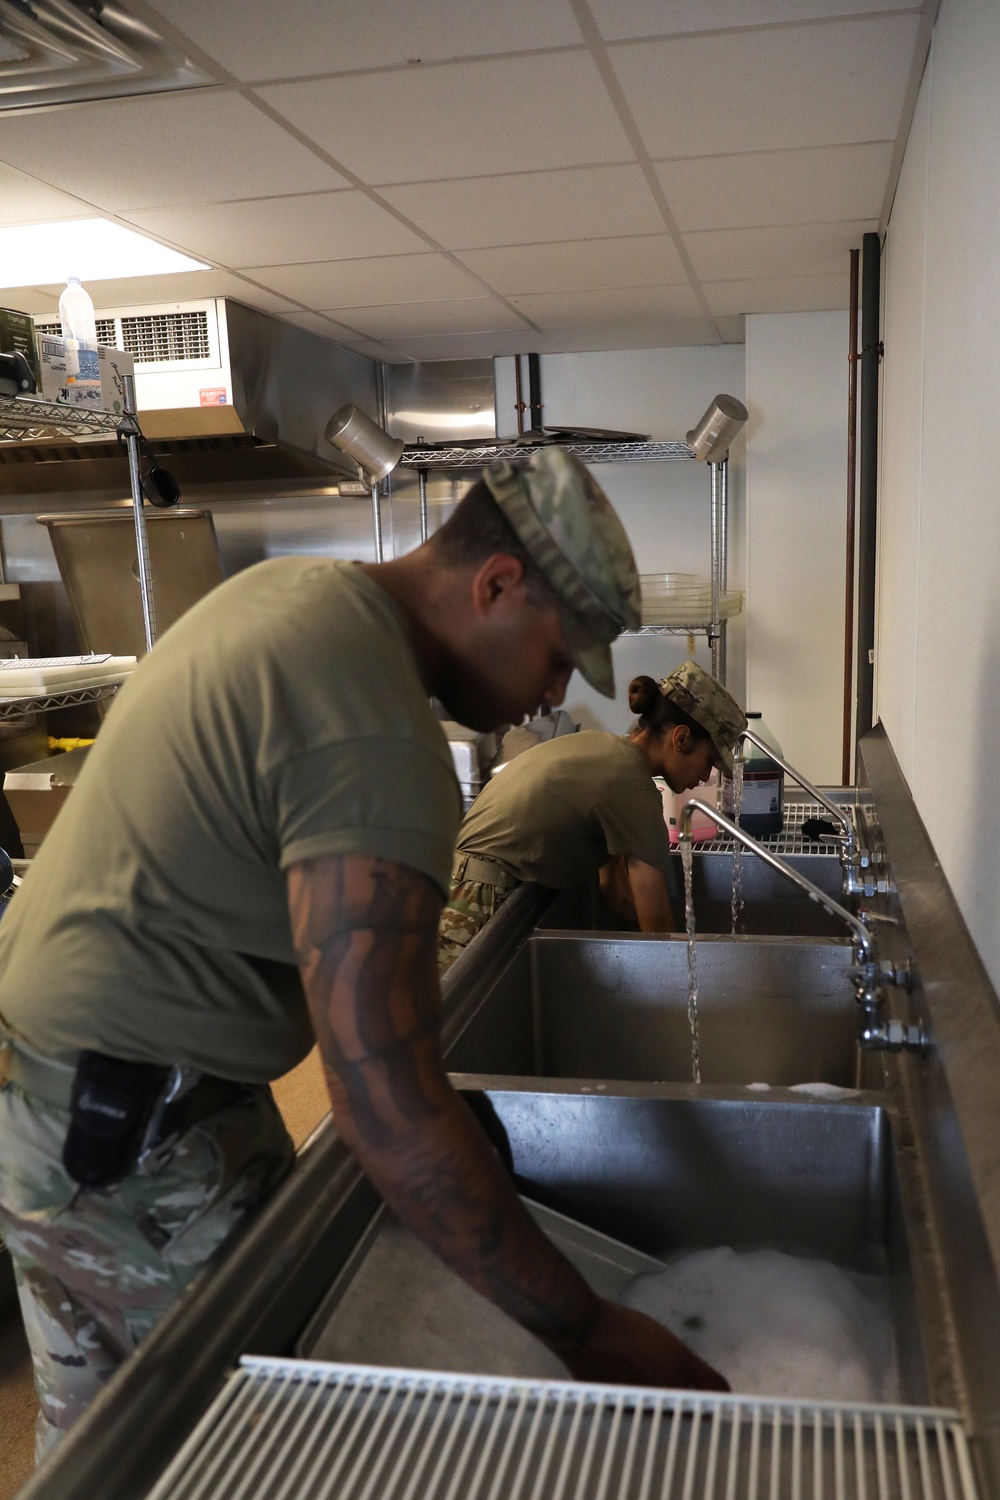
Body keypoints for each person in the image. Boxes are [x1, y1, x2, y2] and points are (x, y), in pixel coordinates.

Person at [0, 448, 727, 1457]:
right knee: (255, 1452)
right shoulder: (378, 728)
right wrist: (585, 1326)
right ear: (496, 584)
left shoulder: (296, 595)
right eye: (560, 656)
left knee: (103, 1448)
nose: (554, 691)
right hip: (133, 1139)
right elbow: (386, 1110)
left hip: (58, 1100)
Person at [439, 662, 747, 970]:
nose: (706, 775)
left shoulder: (605, 751)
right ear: (680, 739)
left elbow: (610, 883)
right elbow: (658, 926)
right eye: (708, 761)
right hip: (475, 902)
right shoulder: (633, 790)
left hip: (459, 884)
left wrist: (624, 949)